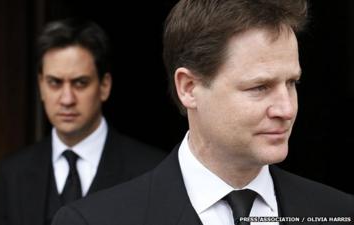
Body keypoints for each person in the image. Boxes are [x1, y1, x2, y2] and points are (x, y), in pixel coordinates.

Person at [52, 1, 354, 225]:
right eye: (259, 87)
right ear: (189, 87)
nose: (286, 109)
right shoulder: (95, 220)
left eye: (292, 83)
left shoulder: (338, 212)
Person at [0, 19, 167, 225]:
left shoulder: (152, 170)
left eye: (80, 83)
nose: (67, 99)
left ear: (104, 86)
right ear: (41, 86)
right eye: (55, 83)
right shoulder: (13, 174)